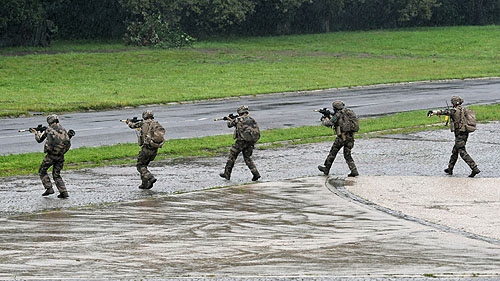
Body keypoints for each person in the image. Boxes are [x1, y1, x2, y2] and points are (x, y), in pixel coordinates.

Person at [428, 96, 480, 177]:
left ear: (454, 103)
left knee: (462, 151)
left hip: (460, 133)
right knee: (455, 151)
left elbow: (445, 112)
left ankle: (474, 168)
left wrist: (433, 112)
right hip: (465, 132)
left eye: (452, 102)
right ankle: (450, 168)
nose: (451, 104)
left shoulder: (455, 110)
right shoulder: (463, 109)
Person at [31, 114, 73, 198]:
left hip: (51, 156)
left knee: (42, 171)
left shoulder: (48, 130)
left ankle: (49, 188)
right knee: (56, 174)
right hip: (61, 156)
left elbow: (39, 140)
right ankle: (63, 191)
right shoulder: (63, 129)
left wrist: (36, 133)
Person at [318, 100, 359, 177]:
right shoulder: (349, 112)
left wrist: (324, 120)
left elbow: (329, 123)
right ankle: (354, 170)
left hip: (342, 137)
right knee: (347, 155)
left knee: (333, 153)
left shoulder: (338, 115)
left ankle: (326, 169)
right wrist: (329, 114)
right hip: (350, 137)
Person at [219, 105, 261, 181]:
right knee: (247, 158)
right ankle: (256, 174)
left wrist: (229, 119)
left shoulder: (238, 119)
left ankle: (227, 174)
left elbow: (229, 125)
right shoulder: (252, 119)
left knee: (232, 157)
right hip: (251, 142)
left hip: (241, 142)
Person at [126, 110, 165, 189]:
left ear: (144, 116)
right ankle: (144, 183)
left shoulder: (143, 123)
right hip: (154, 149)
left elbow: (132, 126)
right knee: (144, 166)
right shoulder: (157, 124)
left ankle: (150, 177)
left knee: (140, 165)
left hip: (146, 148)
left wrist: (128, 122)